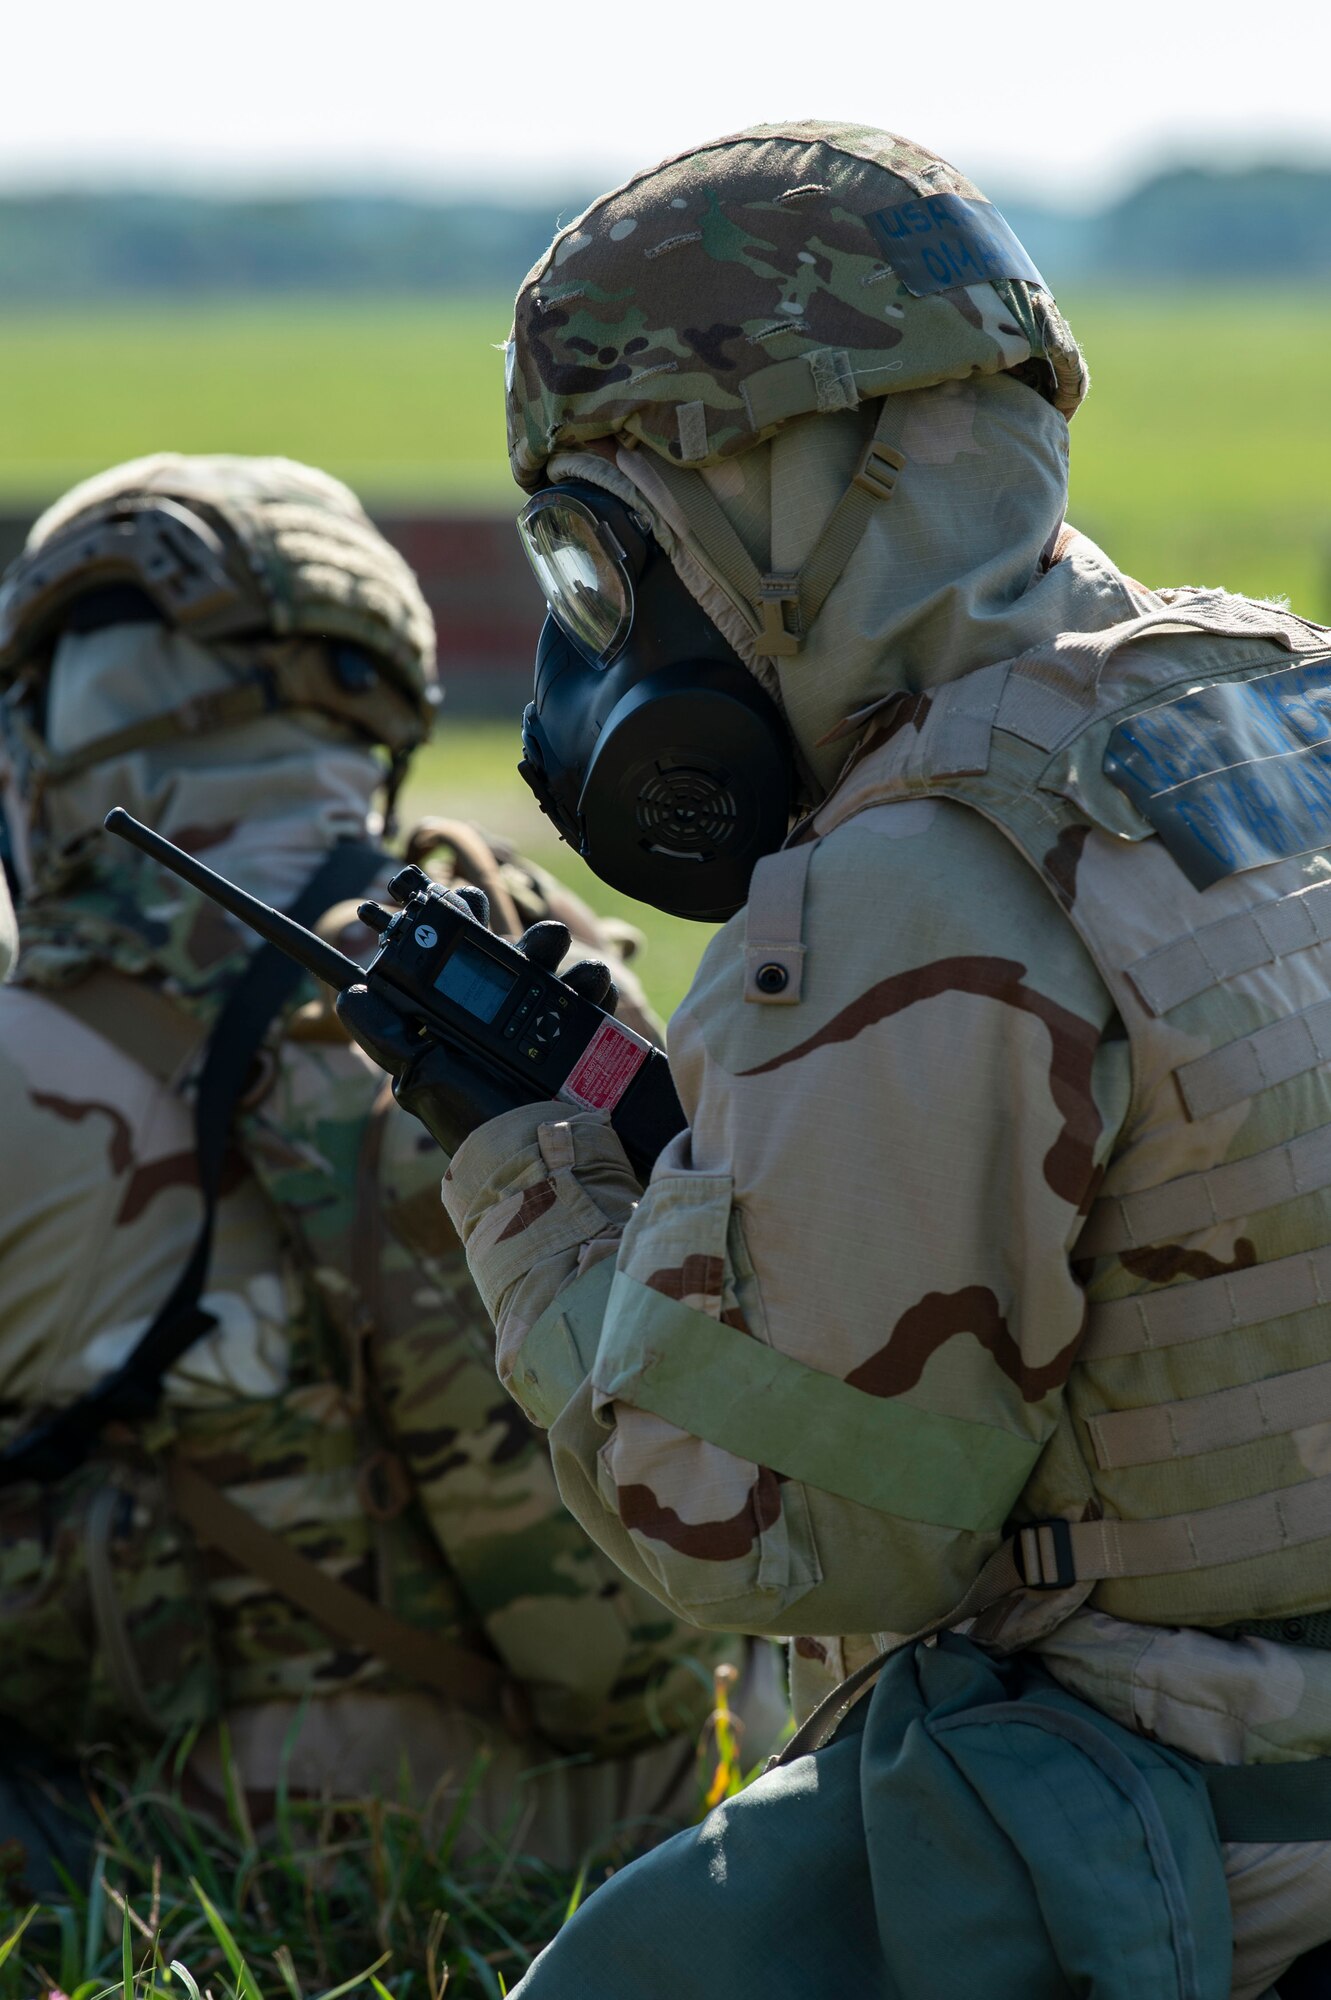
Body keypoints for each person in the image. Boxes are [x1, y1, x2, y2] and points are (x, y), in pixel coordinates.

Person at [337, 124, 1331, 1997]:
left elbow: (763, 1529)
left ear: (773, 495)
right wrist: (707, 1144)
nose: (596, 632)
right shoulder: (1276, 702)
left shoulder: (916, 881)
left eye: (597, 550)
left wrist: (538, 1177)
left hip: (1182, 1852)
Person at [0, 453, 779, 1892]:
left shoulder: (26, 1065)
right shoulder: (573, 992)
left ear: (50, 735)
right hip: (650, 1840)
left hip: (232, 1857)